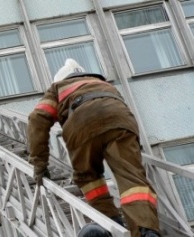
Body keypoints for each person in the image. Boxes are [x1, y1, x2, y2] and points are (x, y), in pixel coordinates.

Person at [27, 58, 161, 237]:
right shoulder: (103, 83)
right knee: (132, 178)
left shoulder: (58, 88)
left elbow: (38, 119)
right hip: (121, 120)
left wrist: (39, 164)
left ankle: (110, 222)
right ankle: (146, 230)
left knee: (88, 177)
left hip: (82, 123)